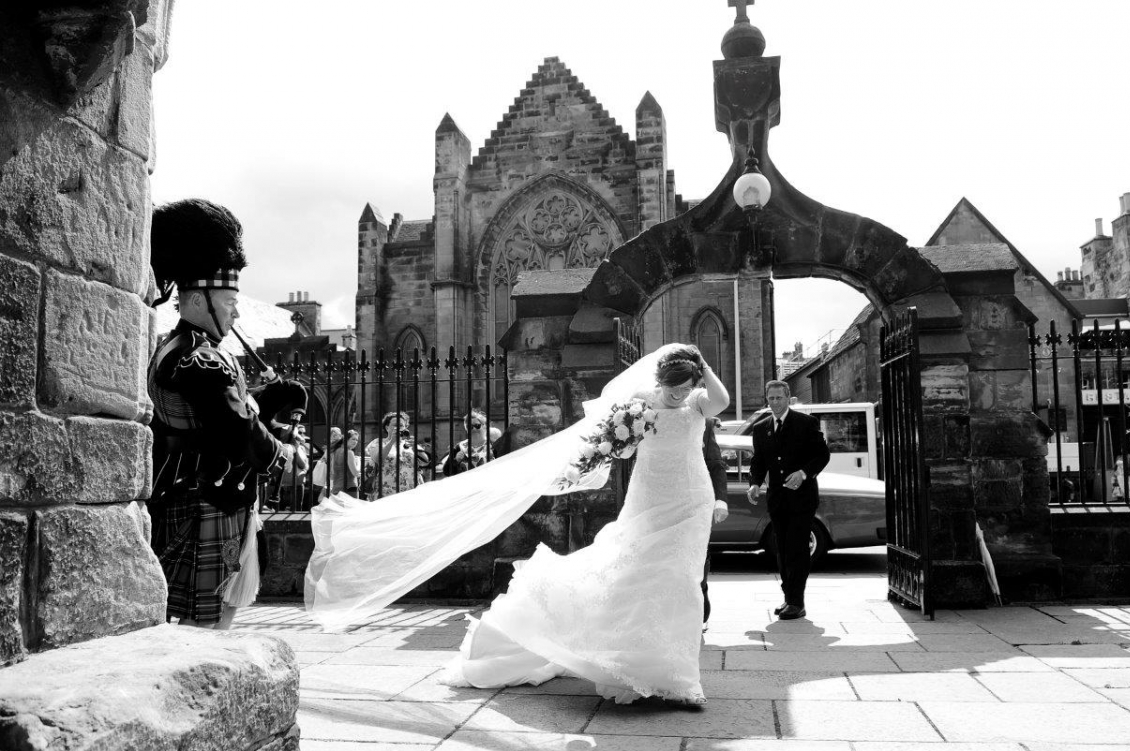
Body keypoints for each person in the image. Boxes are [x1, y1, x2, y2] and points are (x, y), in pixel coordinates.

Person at [305, 343, 730, 706]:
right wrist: (593, 456)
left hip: (691, 500)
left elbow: (723, 402)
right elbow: (610, 449)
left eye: (684, 388)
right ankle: (642, 664)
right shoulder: (640, 404)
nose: (676, 396)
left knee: (681, 580)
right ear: (660, 382)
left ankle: (680, 681)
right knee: (640, 575)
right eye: (671, 388)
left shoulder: (697, 403)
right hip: (648, 497)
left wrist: (702, 365)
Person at [146, 199, 307, 630]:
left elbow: (223, 411)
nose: (236, 311)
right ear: (198, 300)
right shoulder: (201, 359)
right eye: (229, 300)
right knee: (210, 624)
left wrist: (271, 398)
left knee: (203, 619)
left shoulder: (180, 348)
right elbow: (235, 428)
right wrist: (282, 454)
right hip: (208, 498)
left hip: (200, 493)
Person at [747, 380, 830, 620]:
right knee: (781, 549)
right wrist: (754, 483)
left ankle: (797, 601)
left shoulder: (805, 423)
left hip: (802, 499)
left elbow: (822, 455)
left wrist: (804, 473)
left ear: (788, 398)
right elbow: (759, 461)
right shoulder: (761, 428)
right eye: (771, 399)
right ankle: (787, 597)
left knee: (797, 549)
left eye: (779, 398)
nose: (774, 403)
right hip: (777, 499)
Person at [699, 416, 729, 632]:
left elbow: (716, 465)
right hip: (664, 501)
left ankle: (700, 607)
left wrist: (720, 500)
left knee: (698, 556)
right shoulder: (650, 416)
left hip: (696, 502)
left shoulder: (705, 424)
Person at [365, 412, 426, 497]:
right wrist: (392, 441)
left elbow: (426, 462)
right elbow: (377, 458)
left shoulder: (409, 443)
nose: (398, 428)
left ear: (405, 428)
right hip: (386, 491)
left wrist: (416, 448)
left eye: (401, 425)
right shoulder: (377, 442)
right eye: (394, 425)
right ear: (387, 427)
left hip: (411, 490)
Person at [442, 409, 503, 477]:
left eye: (477, 426)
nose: (473, 429)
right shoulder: (459, 447)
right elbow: (446, 471)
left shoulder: (494, 445)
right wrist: (455, 461)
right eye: (469, 427)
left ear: (484, 426)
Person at [312, 427, 361, 500]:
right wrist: (359, 463)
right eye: (353, 439)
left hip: (336, 486)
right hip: (349, 486)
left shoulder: (336, 451)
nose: (355, 442)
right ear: (346, 439)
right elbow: (355, 473)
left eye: (357, 440)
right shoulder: (349, 453)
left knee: (334, 507)